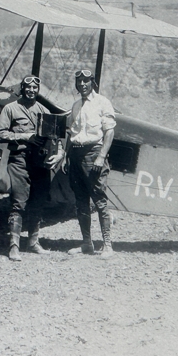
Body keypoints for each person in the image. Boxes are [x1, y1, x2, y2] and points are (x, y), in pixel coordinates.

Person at [0, 75, 59, 261]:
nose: (31, 90)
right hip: (19, 160)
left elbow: (54, 139)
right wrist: (24, 137)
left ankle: (33, 243)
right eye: (28, 87)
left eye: (35, 88)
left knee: (38, 202)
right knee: (18, 202)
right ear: (22, 88)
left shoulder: (44, 111)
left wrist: (59, 153)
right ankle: (14, 246)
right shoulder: (11, 109)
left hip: (40, 162)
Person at [55, 68, 117, 258]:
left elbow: (109, 132)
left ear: (93, 82)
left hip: (93, 154)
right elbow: (71, 134)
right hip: (75, 155)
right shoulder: (75, 106)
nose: (82, 84)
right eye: (79, 81)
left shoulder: (102, 103)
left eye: (86, 81)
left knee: (99, 200)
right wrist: (65, 155)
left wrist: (101, 156)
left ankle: (107, 245)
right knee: (81, 201)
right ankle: (86, 244)